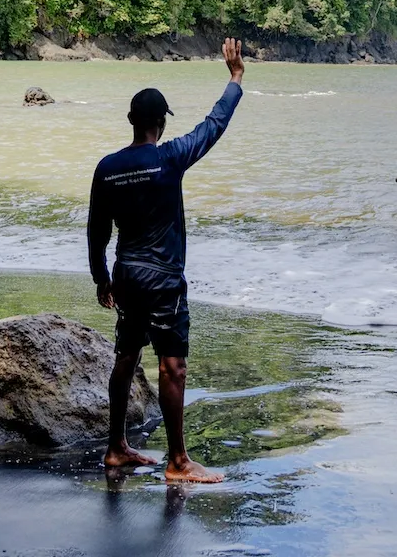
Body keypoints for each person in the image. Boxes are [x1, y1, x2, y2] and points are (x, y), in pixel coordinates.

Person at [87, 37, 245, 484]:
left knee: (126, 356)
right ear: (160, 123)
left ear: (133, 122)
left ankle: (116, 448)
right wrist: (235, 78)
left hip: (127, 278)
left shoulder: (108, 167)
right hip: (162, 283)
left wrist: (102, 280)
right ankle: (178, 461)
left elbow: (97, 232)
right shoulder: (171, 158)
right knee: (172, 365)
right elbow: (213, 125)